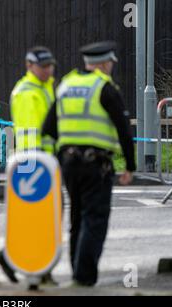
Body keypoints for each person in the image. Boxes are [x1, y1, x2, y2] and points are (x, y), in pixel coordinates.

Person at [42, 41, 136, 286]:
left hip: (69, 164)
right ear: (104, 64)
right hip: (96, 164)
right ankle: (83, 278)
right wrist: (130, 166)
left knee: (77, 219)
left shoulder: (66, 85)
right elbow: (124, 130)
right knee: (94, 219)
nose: (112, 66)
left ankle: (76, 272)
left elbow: (48, 128)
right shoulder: (104, 87)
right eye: (111, 62)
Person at [0, 46, 57, 285]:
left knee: (43, 218)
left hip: (43, 161)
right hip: (34, 161)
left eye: (50, 65)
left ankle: (33, 265)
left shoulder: (44, 88)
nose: (48, 70)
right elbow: (33, 131)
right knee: (42, 217)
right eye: (43, 66)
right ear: (30, 66)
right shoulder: (28, 92)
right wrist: (39, 161)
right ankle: (27, 264)